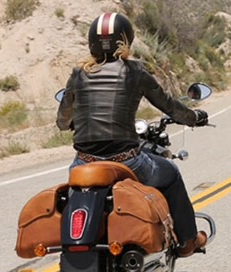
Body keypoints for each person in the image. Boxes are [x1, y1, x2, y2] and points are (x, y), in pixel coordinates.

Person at [56, 12, 209, 257]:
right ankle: (188, 241)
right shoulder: (134, 71)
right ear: (126, 40)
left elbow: (63, 121)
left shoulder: (78, 75)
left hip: (83, 162)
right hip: (127, 161)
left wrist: (73, 122)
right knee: (170, 173)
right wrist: (196, 117)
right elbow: (169, 105)